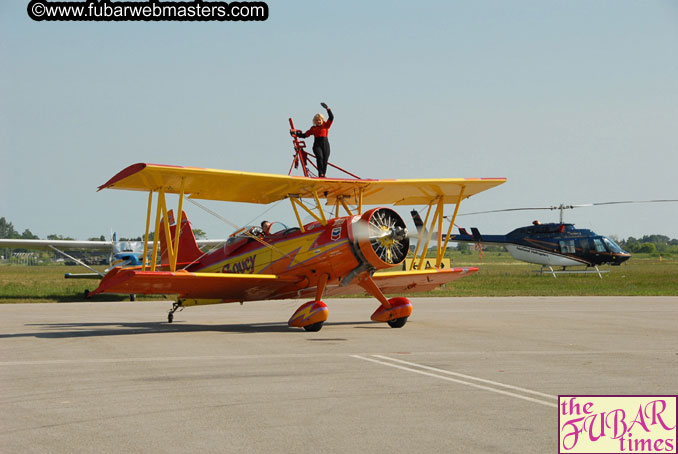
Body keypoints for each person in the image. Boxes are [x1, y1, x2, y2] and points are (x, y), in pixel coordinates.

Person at [293, 102, 334, 177]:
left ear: (322, 120)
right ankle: (320, 174)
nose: (318, 121)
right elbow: (305, 135)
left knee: (325, 160)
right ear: (315, 121)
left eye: (320, 120)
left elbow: (331, 117)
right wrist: (296, 134)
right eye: (317, 120)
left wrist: (328, 109)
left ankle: (323, 175)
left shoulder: (326, 125)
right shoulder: (313, 128)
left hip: (325, 144)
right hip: (317, 145)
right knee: (320, 158)